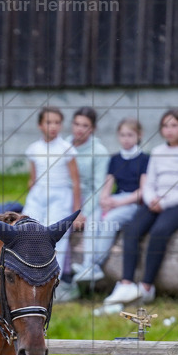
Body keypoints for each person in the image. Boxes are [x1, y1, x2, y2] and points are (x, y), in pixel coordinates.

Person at [105, 108, 178, 305]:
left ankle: (146, 287)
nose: (169, 130)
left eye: (174, 125)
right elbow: (149, 183)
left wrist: (165, 202)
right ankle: (126, 284)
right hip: (156, 202)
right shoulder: (158, 152)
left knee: (159, 231)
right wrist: (152, 199)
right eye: (165, 126)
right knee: (133, 228)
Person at [72, 118, 150, 284]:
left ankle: (95, 265)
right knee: (94, 217)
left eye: (130, 135)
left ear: (139, 135)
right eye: (122, 135)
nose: (126, 139)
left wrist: (119, 203)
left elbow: (143, 191)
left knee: (110, 220)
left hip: (132, 203)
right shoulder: (115, 159)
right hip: (115, 199)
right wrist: (105, 199)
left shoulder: (144, 160)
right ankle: (86, 263)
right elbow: (108, 183)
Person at [21, 106, 81, 300]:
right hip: (39, 195)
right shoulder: (34, 149)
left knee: (56, 235)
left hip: (61, 195)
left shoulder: (66, 149)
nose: (53, 126)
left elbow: (75, 180)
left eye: (57, 122)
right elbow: (33, 178)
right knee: (27, 229)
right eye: (49, 122)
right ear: (40, 125)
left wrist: (76, 209)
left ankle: (55, 281)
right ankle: (27, 274)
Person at [66, 107, 111, 292]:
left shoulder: (99, 152)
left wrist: (82, 213)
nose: (79, 129)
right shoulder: (65, 145)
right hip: (65, 195)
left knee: (94, 221)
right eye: (76, 124)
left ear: (92, 129)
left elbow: (99, 188)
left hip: (89, 198)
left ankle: (89, 266)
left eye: (85, 125)